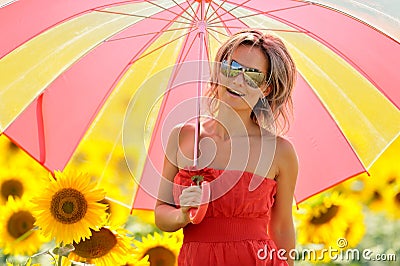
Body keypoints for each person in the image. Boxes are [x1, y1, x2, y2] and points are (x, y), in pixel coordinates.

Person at [155, 29, 298, 266]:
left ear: (266, 89)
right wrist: (182, 215)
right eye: (231, 67)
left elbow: (282, 228)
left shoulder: (280, 152)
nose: (238, 80)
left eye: (252, 76)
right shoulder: (183, 137)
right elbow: (161, 213)